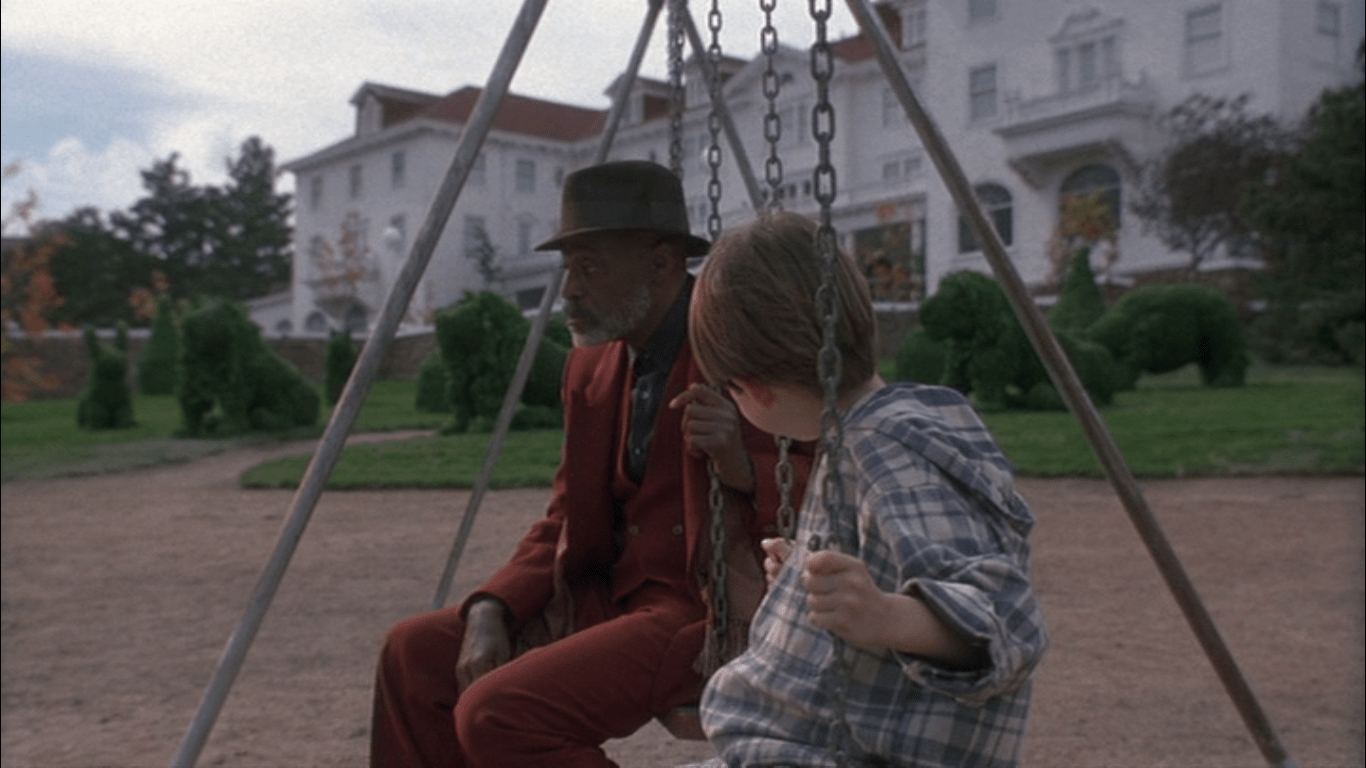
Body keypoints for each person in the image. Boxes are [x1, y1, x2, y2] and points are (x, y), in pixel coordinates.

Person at [369, 161, 812, 768]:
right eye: (568, 269)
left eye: (589, 268)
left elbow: (827, 493)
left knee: (501, 713)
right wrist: (492, 605)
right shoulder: (591, 366)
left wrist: (741, 465)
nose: (569, 291)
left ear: (660, 263)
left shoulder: (741, 347)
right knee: (413, 654)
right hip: (602, 598)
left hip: (698, 611)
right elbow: (565, 515)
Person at [689, 212, 1048, 767]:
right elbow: (901, 556)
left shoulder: (885, 446)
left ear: (751, 389)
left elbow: (1007, 620)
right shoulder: (890, 425)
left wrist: (888, 616)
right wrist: (802, 582)